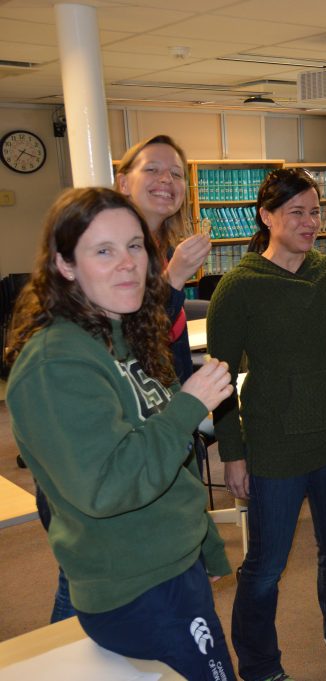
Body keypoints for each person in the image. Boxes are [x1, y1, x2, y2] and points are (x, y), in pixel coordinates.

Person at [5, 187, 235, 681]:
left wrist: (204, 543)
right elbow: (108, 485)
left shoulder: (123, 335)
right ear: (66, 265)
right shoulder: (56, 362)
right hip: (138, 588)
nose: (128, 263)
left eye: (135, 246)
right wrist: (189, 407)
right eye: (103, 250)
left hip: (175, 566)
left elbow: (173, 466)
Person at [207, 168, 326, 681]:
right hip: (274, 448)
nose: (311, 222)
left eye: (315, 212)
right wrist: (233, 453)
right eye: (298, 212)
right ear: (267, 217)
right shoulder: (239, 287)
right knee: (265, 567)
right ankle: (260, 665)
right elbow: (219, 378)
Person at [116, 134, 211, 382]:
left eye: (177, 174)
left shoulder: (167, 249)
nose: (166, 179)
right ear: (123, 183)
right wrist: (175, 278)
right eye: (152, 169)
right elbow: (132, 339)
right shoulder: (112, 255)